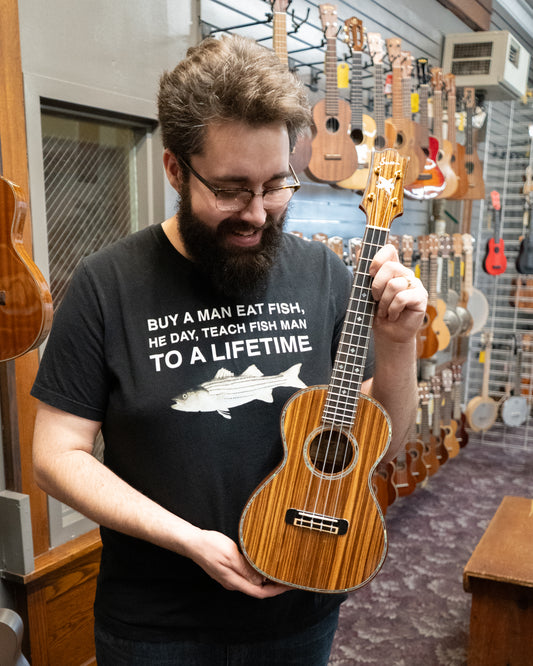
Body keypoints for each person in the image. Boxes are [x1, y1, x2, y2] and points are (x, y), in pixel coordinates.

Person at [32, 34, 427, 665]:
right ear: (173, 169)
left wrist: (399, 346)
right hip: (156, 626)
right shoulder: (106, 286)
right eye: (230, 189)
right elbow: (56, 456)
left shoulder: (325, 277)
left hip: (300, 606)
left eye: (275, 185)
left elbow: (380, 442)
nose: (258, 214)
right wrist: (190, 541)